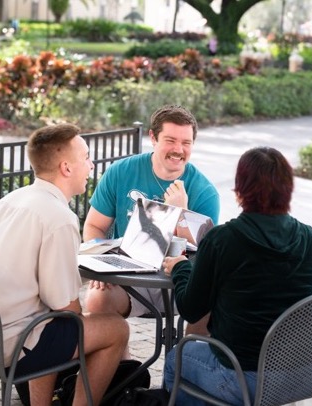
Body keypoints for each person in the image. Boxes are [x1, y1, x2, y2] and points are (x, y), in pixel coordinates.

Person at [162, 146, 312, 405]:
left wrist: (181, 267)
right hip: (309, 373)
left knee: (176, 359)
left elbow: (191, 310)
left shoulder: (224, 239)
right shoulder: (310, 237)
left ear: (240, 190)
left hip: (248, 376)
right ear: (287, 188)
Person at [0, 124, 129, 406]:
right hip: (14, 345)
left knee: (54, 320)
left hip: (7, 329)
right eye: (86, 158)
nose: (92, 166)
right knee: (115, 328)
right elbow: (65, 306)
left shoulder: (10, 201)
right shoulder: (59, 217)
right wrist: (84, 317)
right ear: (66, 168)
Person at [83, 105, 220, 337]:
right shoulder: (120, 172)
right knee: (97, 298)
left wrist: (182, 213)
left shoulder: (205, 191)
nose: (178, 149)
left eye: (186, 143)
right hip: (130, 277)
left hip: (181, 282)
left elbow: (206, 255)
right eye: (170, 140)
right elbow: (94, 226)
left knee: (216, 300)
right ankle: (123, 369)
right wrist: (103, 264)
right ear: (153, 138)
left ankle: (183, 367)